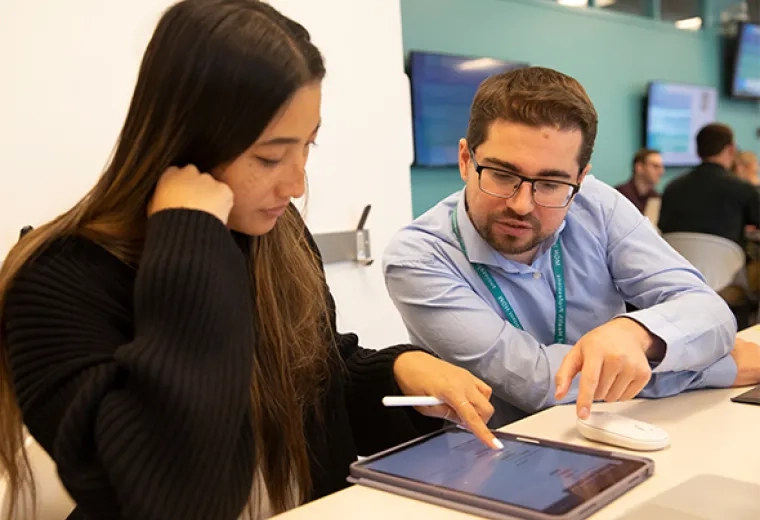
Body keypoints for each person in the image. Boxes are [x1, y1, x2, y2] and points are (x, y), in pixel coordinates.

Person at [0, 2, 500, 520]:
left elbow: (316, 386)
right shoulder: (55, 279)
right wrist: (190, 244)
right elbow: (175, 494)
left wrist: (398, 374)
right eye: (268, 157)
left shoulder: (276, 236)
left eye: (308, 145)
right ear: (182, 141)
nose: (297, 184)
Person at [383, 66, 760, 429]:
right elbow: (541, 383)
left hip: (626, 428)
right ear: (466, 160)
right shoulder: (418, 258)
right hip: (500, 457)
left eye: (550, 184)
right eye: (502, 175)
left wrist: (635, 333)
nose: (522, 204)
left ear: (581, 178)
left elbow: (710, 311)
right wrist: (717, 367)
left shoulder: (597, 204)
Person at [659, 123, 760, 249]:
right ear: (731, 149)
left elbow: (663, 229)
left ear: (697, 151)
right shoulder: (743, 189)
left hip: (681, 265)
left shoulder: (671, 189)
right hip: (727, 266)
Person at [614, 148, 664, 214]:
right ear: (639, 167)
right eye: (655, 166)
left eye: (661, 167)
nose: (661, 171)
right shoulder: (619, 195)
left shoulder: (655, 197)